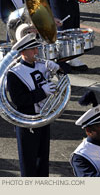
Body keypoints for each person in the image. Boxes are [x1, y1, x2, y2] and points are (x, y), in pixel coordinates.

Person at [6, 33, 61, 176]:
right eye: (33, 50)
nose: (37, 52)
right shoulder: (14, 74)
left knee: (43, 160)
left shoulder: (42, 65)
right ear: (23, 52)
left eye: (36, 48)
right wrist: (42, 92)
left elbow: (64, 79)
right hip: (28, 122)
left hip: (44, 118)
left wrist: (59, 69)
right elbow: (19, 101)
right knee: (29, 164)